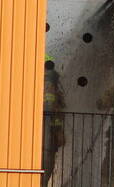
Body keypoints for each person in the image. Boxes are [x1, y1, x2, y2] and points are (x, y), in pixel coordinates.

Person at [41, 55, 66, 186]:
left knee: (45, 163)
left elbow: (52, 108)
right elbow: (56, 109)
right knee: (47, 163)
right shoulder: (54, 85)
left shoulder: (45, 82)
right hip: (50, 132)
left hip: (47, 131)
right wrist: (58, 131)